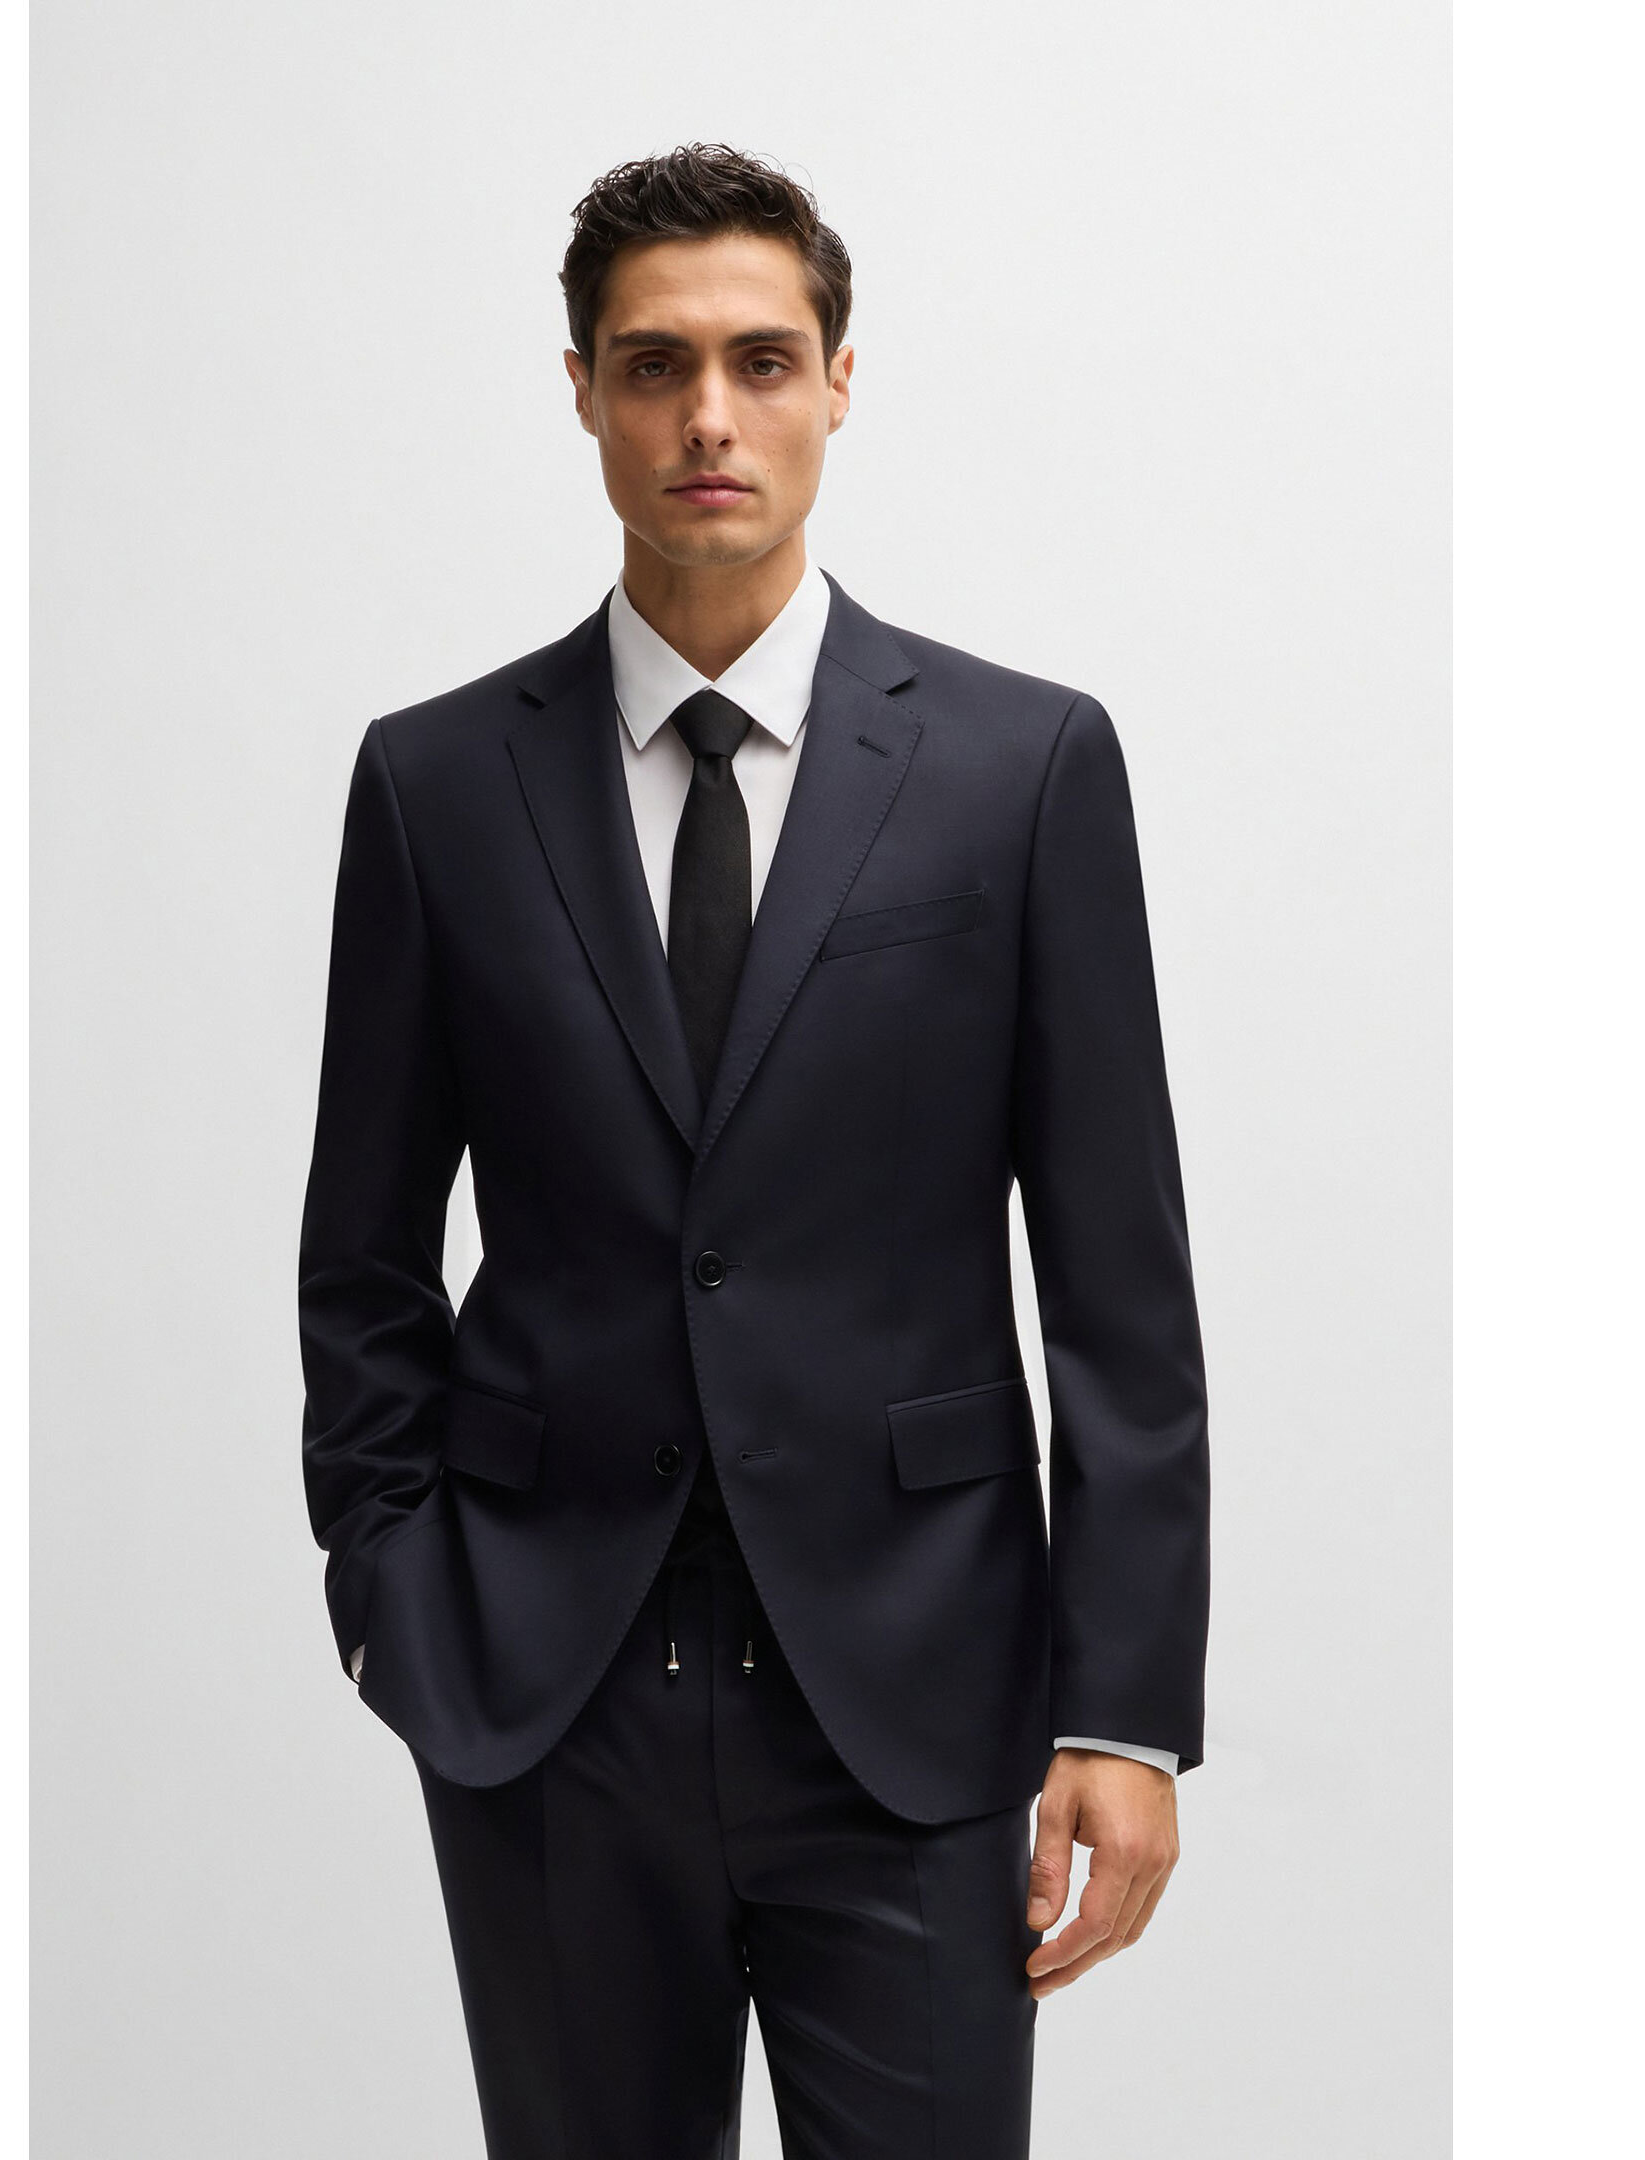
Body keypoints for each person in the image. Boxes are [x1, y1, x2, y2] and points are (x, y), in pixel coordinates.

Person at [299, 141, 1210, 2160]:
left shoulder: (1021, 768)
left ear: (839, 383)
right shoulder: (437, 785)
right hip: (548, 1692)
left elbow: (1120, 1285)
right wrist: (393, 1595)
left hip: (916, 1693)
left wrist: (1123, 1709)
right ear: (582, 392)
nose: (708, 416)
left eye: (761, 360)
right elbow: (360, 1256)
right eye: (654, 365)